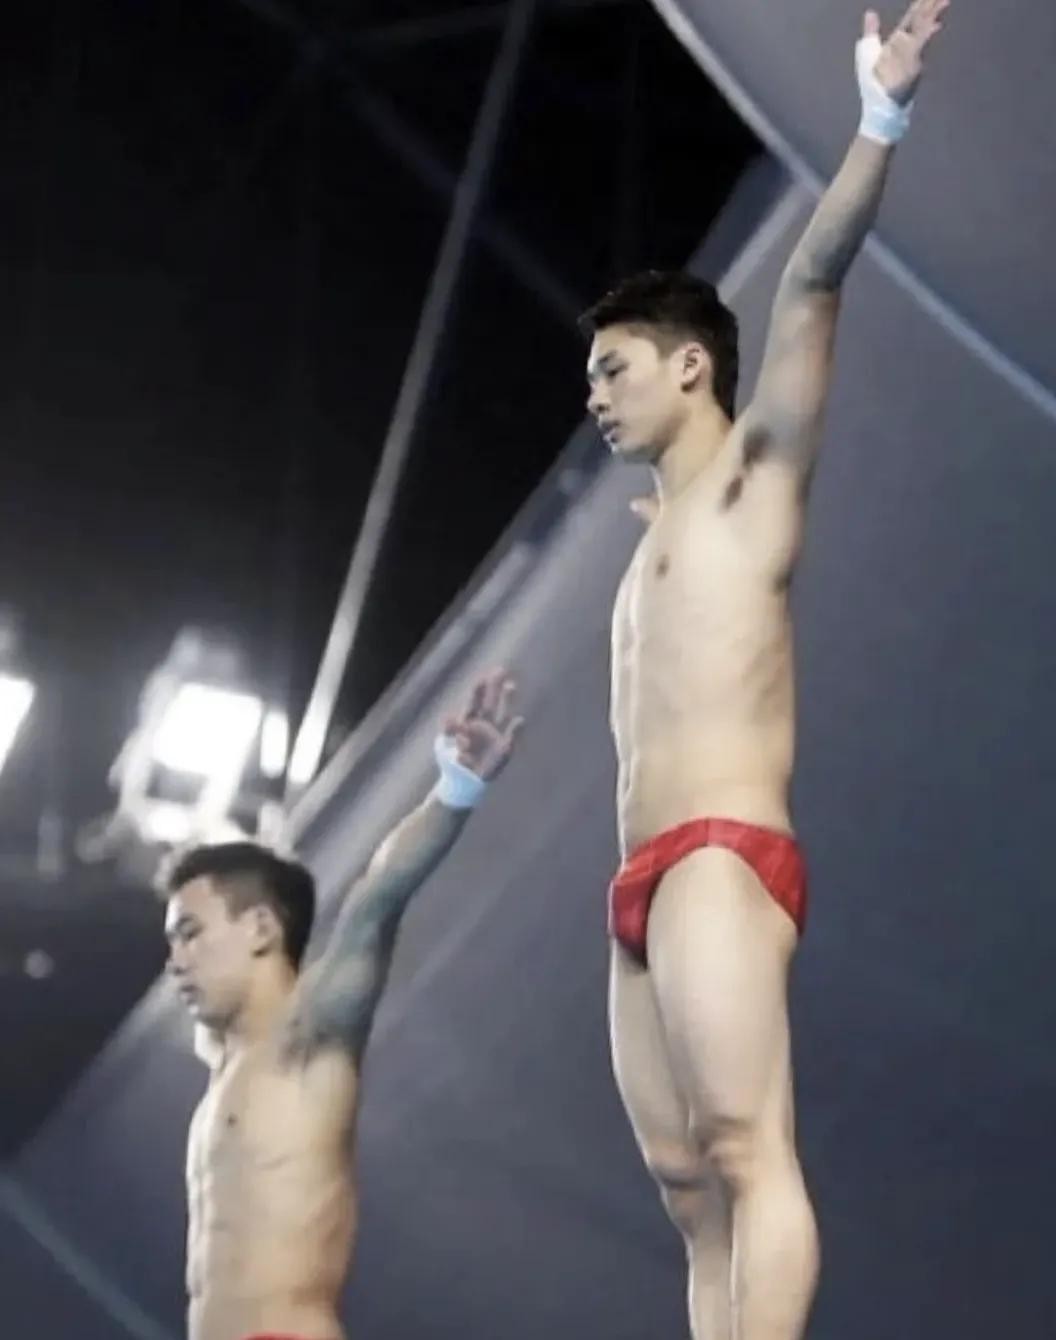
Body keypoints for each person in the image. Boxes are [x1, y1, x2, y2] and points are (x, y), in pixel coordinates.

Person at [583, 6, 950, 1338]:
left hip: (722, 855)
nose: (594, 394)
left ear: (691, 365)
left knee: (747, 1148)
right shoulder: (660, 528)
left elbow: (810, 284)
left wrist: (879, 116)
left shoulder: (755, 480)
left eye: (613, 369)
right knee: (692, 1193)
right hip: (639, 877)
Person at [163, 670, 522, 1340]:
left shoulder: (308, 1034)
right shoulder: (226, 1069)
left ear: (261, 929)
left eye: (190, 934)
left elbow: (375, 901)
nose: (176, 959)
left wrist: (454, 788)